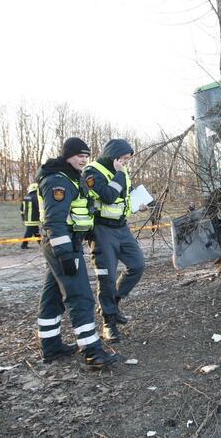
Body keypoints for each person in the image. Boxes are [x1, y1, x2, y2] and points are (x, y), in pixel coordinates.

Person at [36, 137, 120, 368]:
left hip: (66, 243)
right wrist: (64, 254)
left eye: (86, 155)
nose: (83, 159)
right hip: (63, 245)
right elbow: (55, 220)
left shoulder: (71, 177)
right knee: (80, 296)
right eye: (79, 155)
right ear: (67, 156)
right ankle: (92, 352)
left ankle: (51, 347)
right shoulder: (57, 181)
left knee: (52, 296)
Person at [85, 139, 148, 342]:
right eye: (124, 159)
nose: (126, 163)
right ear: (114, 156)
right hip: (102, 230)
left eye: (128, 160)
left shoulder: (122, 171)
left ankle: (115, 302)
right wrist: (120, 173)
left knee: (137, 265)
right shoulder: (92, 172)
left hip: (122, 228)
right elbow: (108, 196)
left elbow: (123, 199)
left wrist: (138, 205)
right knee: (106, 277)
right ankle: (108, 323)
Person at [20, 183, 40, 249]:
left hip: (27, 218)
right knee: (29, 233)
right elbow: (39, 207)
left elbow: (21, 208)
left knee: (36, 232)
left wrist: (23, 217)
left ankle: (41, 244)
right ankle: (23, 245)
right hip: (33, 218)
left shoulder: (26, 197)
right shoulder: (36, 197)